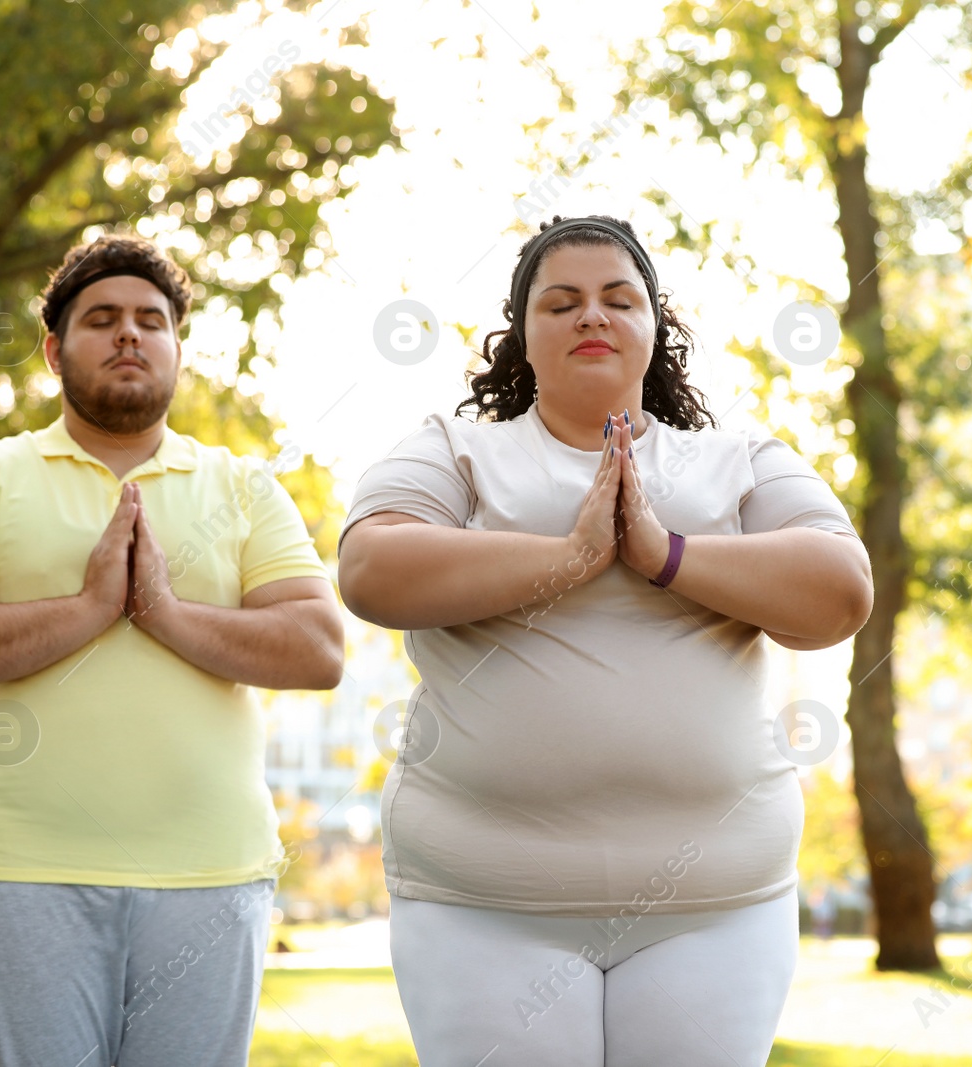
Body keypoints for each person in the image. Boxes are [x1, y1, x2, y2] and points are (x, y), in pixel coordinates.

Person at [336, 214, 873, 1066]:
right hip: (485, 905)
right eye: (563, 302)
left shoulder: (738, 458)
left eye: (619, 299)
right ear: (522, 335)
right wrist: (571, 557)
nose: (593, 315)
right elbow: (372, 569)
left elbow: (840, 590)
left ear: (656, 329)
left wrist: (666, 555)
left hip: (715, 906)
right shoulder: (455, 450)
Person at [0, 235, 344, 1067]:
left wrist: (163, 612)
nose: (130, 334)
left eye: (151, 320)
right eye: (102, 319)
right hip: (22, 873)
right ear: (56, 349)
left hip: (210, 874)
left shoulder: (244, 487)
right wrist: (93, 606)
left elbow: (316, 646)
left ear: (177, 347)